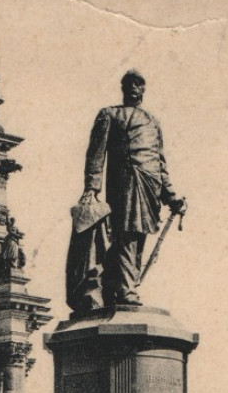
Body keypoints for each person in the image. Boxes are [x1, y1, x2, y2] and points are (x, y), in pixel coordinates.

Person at [74, 69, 186, 309]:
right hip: (124, 183)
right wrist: (92, 186)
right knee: (127, 234)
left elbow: (160, 164)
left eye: (139, 83)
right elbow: (96, 152)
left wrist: (172, 198)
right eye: (129, 83)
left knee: (137, 238)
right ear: (123, 88)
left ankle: (119, 286)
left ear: (144, 89)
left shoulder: (153, 122)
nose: (134, 87)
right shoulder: (110, 115)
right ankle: (126, 289)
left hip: (149, 187)